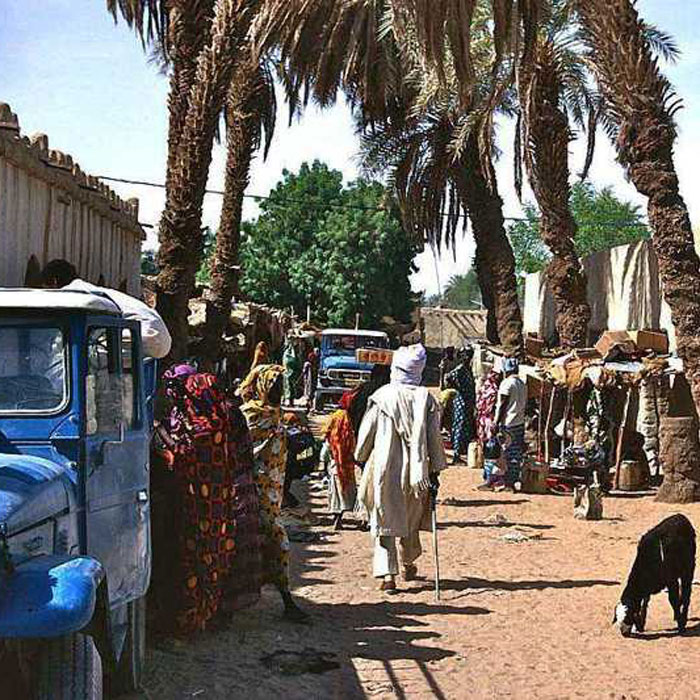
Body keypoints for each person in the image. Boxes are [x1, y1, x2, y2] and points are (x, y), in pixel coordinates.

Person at [153, 365, 261, 633]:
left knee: (197, 559)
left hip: (200, 507)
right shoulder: (211, 419)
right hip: (214, 505)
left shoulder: (206, 426)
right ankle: (206, 613)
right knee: (210, 559)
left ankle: (194, 618)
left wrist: (158, 433)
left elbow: (180, 455)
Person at [355, 344, 447, 592]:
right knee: (409, 520)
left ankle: (388, 576)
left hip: (384, 468)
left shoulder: (382, 396)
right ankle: (407, 563)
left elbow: (367, 433)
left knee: (384, 519)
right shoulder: (426, 398)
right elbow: (434, 439)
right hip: (417, 473)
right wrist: (435, 471)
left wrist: (360, 456)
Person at [238, 363, 308, 622]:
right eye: (275, 386)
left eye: (281, 386)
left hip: (273, 491)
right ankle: (286, 600)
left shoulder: (275, 414)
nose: (280, 390)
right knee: (276, 541)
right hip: (252, 489)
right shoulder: (250, 415)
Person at [41, 259, 171, 359]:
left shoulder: (71, 294)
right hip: (159, 335)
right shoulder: (88, 289)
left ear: (54, 281)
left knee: (77, 356)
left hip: (147, 336)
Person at [323, 392, 358, 530]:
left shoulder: (334, 416)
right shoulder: (347, 418)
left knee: (335, 491)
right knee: (345, 490)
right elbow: (350, 441)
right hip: (346, 462)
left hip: (334, 460)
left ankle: (336, 517)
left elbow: (326, 437)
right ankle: (340, 517)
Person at [495, 357, 527, 489]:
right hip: (519, 422)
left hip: (508, 423)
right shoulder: (522, 384)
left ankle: (508, 481)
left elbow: (502, 404)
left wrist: (496, 422)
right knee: (516, 452)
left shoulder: (507, 383)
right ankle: (513, 480)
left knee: (507, 452)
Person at [444, 346, 476, 464]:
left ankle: (461, 452)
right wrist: (457, 389)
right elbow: (447, 378)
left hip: (467, 403)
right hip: (461, 403)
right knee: (459, 427)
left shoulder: (468, 369)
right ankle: (456, 455)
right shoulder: (460, 369)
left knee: (465, 427)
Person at [282, 338, 300, 406]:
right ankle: (288, 400)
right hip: (289, 370)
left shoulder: (292, 351)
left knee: (290, 385)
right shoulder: (289, 351)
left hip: (291, 370)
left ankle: (290, 400)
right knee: (288, 385)